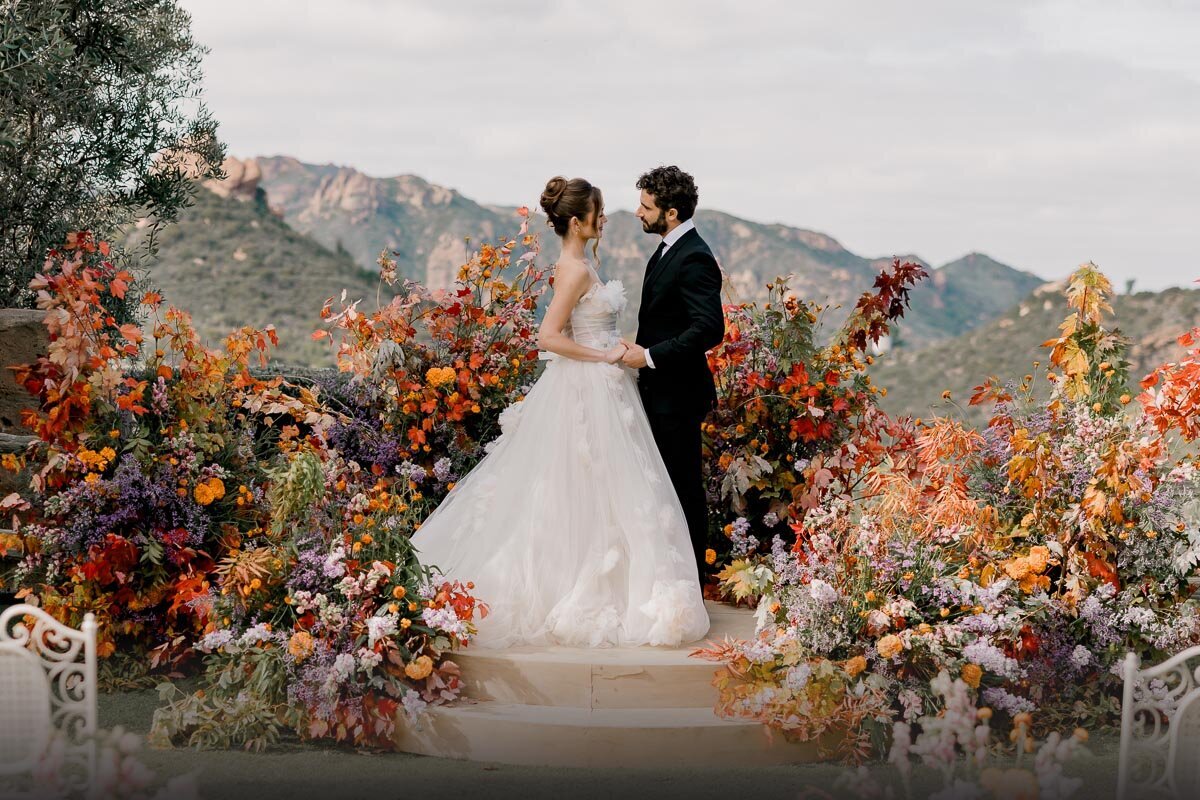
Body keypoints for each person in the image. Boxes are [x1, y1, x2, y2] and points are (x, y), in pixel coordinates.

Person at [410, 176, 710, 649]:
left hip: (614, 385)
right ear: (577, 220)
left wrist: (621, 353)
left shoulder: (588, 260)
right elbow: (548, 337)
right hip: (592, 382)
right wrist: (604, 355)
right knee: (578, 485)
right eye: (599, 210)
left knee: (609, 489)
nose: (610, 215)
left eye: (638, 205)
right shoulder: (573, 268)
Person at [620, 166, 725, 573]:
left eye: (646, 206)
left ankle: (692, 585)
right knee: (661, 490)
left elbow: (709, 328)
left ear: (672, 212)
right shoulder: (667, 249)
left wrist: (648, 356)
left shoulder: (694, 256)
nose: (637, 212)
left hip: (677, 396)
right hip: (658, 391)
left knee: (683, 492)